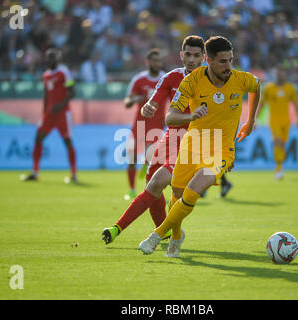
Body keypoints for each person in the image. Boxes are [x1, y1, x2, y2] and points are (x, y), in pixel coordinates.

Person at [138, 36, 261, 258]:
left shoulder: (240, 79)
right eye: (223, 61)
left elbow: (257, 85)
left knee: (193, 190)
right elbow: (170, 117)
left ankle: (156, 236)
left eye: (230, 60)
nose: (228, 66)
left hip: (222, 150)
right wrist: (192, 114)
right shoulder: (192, 81)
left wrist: (250, 121)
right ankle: (175, 236)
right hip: (192, 145)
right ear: (209, 60)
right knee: (177, 193)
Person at [102, 35, 206, 244]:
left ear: (204, 58)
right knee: (152, 182)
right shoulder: (170, 77)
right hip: (170, 137)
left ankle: (118, 228)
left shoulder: (211, 80)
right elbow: (153, 102)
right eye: (188, 54)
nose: (192, 59)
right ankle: (166, 231)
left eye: (196, 55)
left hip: (194, 141)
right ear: (181, 55)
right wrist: (147, 107)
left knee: (159, 182)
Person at [22, 48, 77, 183]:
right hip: (49, 115)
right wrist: (43, 113)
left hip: (63, 114)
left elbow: (72, 92)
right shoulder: (45, 75)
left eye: (53, 56)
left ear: (57, 58)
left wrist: (60, 105)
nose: (51, 59)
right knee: (38, 138)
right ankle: (35, 173)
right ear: (46, 59)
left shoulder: (64, 72)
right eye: (49, 57)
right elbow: (46, 95)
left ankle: (73, 174)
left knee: (67, 141)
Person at [123, 48, 166, 200]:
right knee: (131, 158)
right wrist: (133, 99)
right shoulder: (139, 79)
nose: (156, 63)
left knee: (153, 159)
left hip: (157, 125)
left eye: (159, 61)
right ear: (148, 62)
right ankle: (132, 189)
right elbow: (127, 101)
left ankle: (150, 189)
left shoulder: (165, 78)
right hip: (139, 125)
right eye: (154, 60)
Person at [258, 65, 298, 180]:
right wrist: (254, 119)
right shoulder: (268, 88)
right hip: (273, 120)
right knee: (277, 141)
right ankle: (279, 169)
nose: (280, 75)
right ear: (275, 74)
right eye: (278, 73)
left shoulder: (290, 88)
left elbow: (295, 104)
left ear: (285, 74)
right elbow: (261, 104)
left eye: (282, 72)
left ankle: (280, 165)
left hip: (286, 121)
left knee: (282, 144)